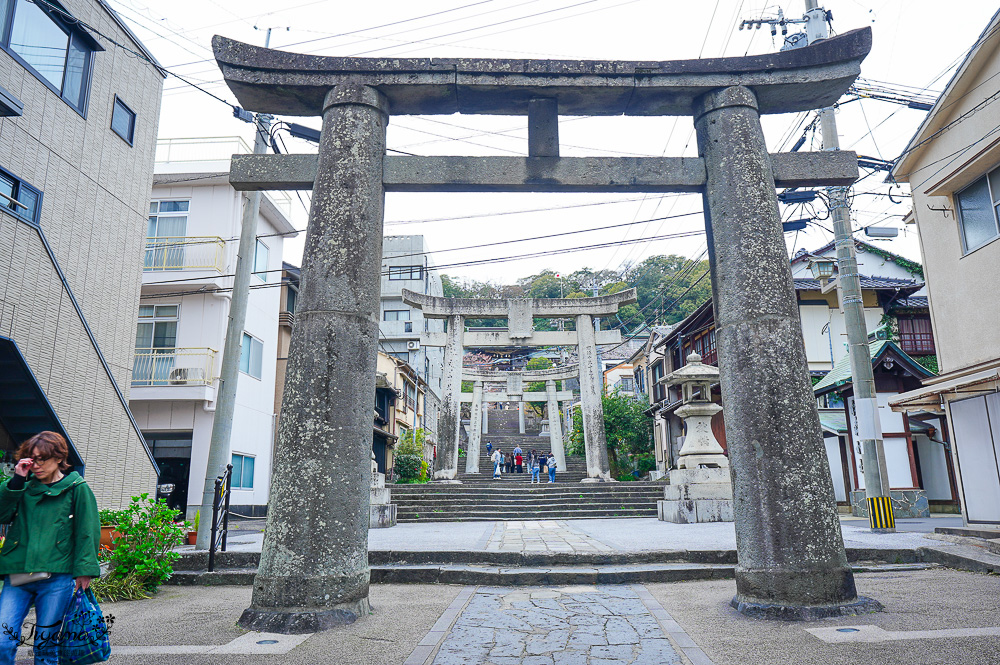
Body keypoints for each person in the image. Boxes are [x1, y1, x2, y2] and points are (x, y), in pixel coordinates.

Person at [0, 431, 100, 665]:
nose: (36, 465)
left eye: (41, 459)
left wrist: (84, 570)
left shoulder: (76, 487)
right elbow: (2, 514)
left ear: (59, 458)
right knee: (3, 642)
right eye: (31, 459)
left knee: (46, 646)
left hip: (57, 576)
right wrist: (16, 481)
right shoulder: (22, 486)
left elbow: (88, 530)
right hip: (19, 573)